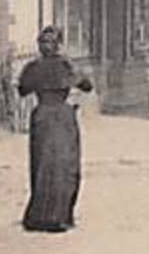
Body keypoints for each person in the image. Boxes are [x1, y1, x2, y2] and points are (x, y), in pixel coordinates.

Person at [18, 26, 93, 233]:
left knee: (43, 165)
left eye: (46, 42)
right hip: (61, 117)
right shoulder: (67, 66)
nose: (45, 45)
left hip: (42, 116)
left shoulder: (32, 67)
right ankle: (59, 215)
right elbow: (87, 85)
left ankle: (41, 215)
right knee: (63, 166)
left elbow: (23, 90)